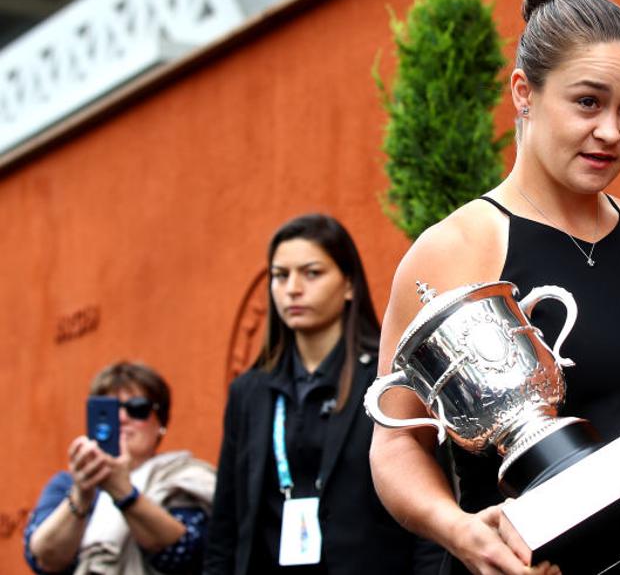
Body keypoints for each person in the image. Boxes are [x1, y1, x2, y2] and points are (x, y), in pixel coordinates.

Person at [369, 0, 620, 575]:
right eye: (588, 102)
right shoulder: (457, 246)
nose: (612, 133)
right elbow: (396, 442)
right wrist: (457, 530)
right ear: (524, 94)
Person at [204, 213, 439, 575]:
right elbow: (225, 523)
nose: (293, 288)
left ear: (348, 285)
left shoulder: (388, 377)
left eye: (311, 273)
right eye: (280, 276)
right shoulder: (248, 391)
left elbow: (429, 503)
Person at [24, 360, 216, 574]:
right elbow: (42, 560)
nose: (122, 418)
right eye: (109, 410)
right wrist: (81, 495)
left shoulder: (184, 478)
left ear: (160, 422)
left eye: (137, 409)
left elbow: (186, 552)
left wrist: (123, 492)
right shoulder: (67, 484)